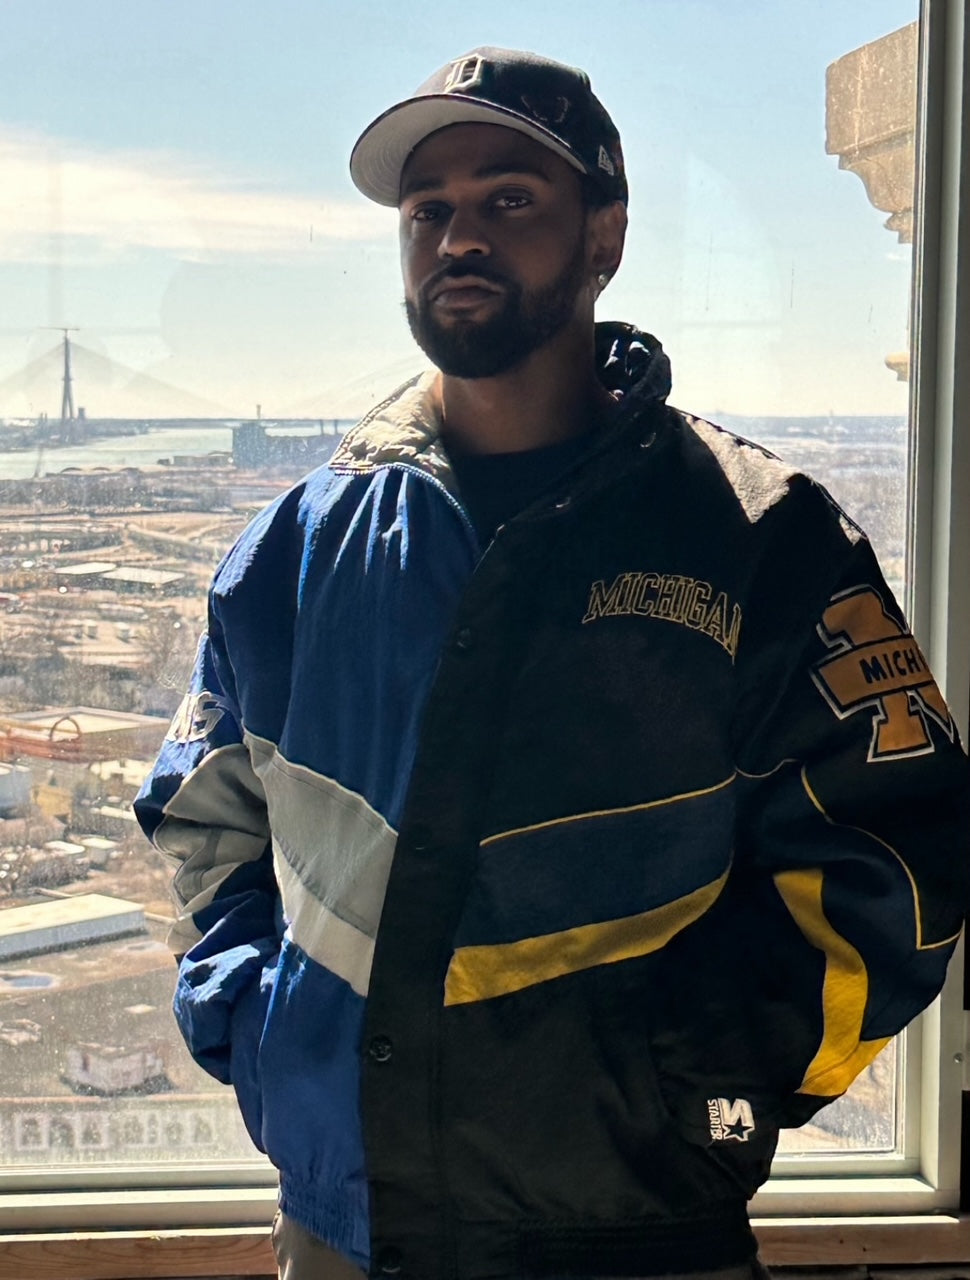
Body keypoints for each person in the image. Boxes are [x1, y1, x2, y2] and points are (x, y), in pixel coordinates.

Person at [135, 47, 970, 1280]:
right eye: (428, 210)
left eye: (510, 198)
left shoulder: (758, 538)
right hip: (344, 1228)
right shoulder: (298, 550)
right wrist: (262, 1030)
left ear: (604, 236)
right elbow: (204, 820)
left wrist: (699, 1089)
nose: (458, 236)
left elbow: (902, 847)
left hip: (634, 1232)